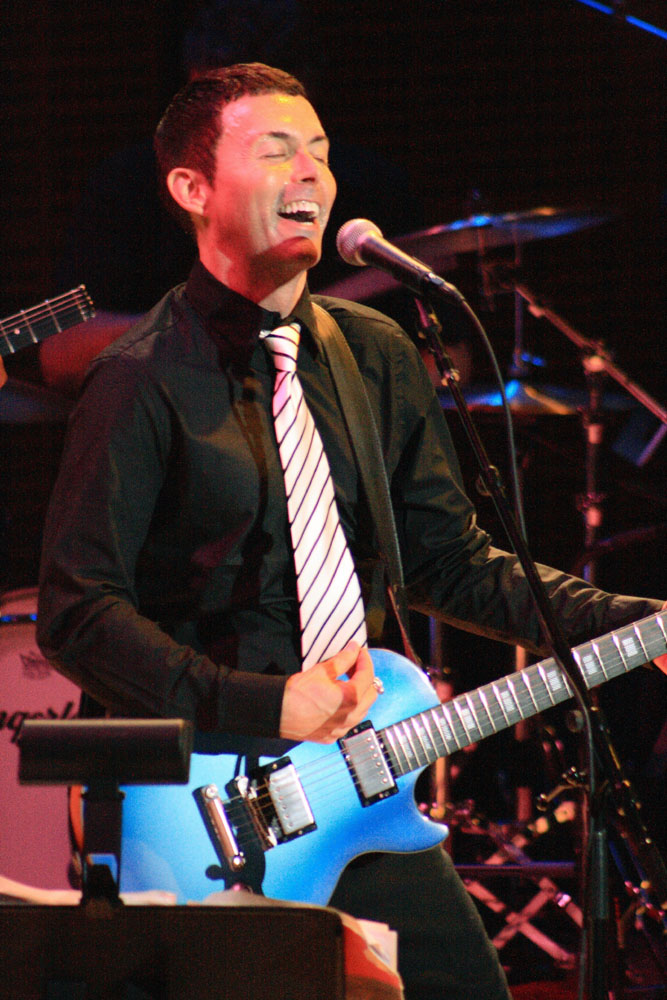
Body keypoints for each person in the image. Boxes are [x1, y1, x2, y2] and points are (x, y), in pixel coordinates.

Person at [37, 64, 666, 1000]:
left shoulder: (370, 354)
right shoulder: (138, 379)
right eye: (276, 150)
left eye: (321, 155)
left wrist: (637, 619)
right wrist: (258, 703)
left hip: (353, 783)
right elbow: (77, 613)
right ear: (192, 190)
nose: (311, 177)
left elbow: (447, 561)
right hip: (199, 796)